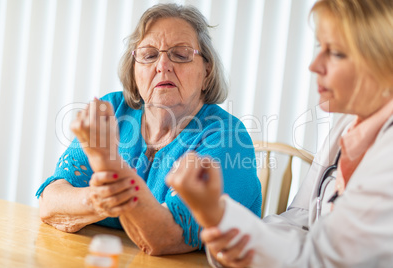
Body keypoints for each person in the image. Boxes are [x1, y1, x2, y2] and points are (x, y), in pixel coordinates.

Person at [167, 0, 393, 266]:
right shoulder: (347, 126)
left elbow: (324, 259)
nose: (314, 65)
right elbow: (299, 219)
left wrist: (216, 214)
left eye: (337, 53)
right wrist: (229, 237)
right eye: (321, 47)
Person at [36, 3, 261, 256]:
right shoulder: (114, 109)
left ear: (206, 71)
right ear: (135, 70)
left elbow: (167, 237)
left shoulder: (227, 137)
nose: (162, 65)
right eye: (149, 55)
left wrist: (108, 170)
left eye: (181, 54)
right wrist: (100, 199)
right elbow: (50, 202)